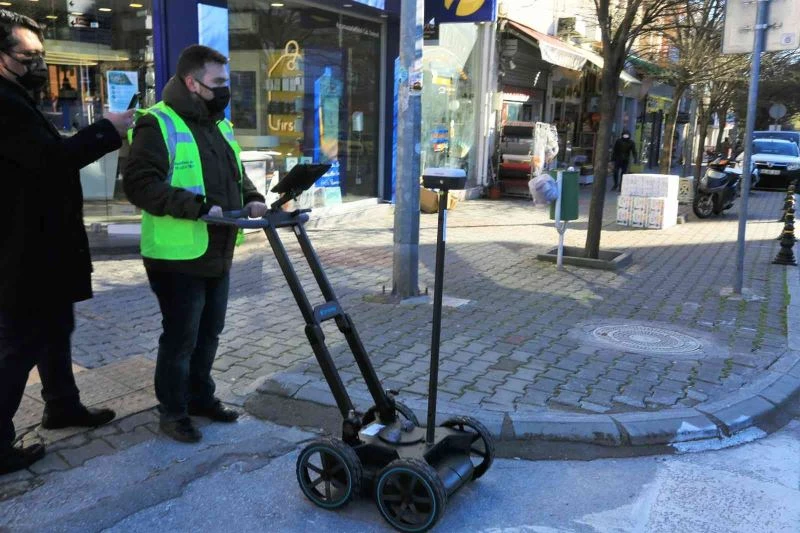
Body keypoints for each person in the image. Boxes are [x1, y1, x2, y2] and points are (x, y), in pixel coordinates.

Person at [0, 9, 132, 475]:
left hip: (44, 248)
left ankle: (62, 405)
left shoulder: (19, 97)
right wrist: (107, 131)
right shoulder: (4, 104)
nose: (38, 64)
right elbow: (51, 161)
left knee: (56, 329)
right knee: (19, 345)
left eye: (41, 54)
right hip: (22, 251)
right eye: (27, 55)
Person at [124, 45, 267, 443]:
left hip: (216, 248)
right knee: (181, 337)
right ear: (193, 82)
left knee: (210, 332)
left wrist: (252, 197)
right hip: (175, 254)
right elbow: (140, 186)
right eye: (219, 82)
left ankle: (201, 397)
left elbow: (235, 174)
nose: (226, 89)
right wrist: (200, 207)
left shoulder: (218, 124)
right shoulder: (157, 123)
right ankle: (173, 412)